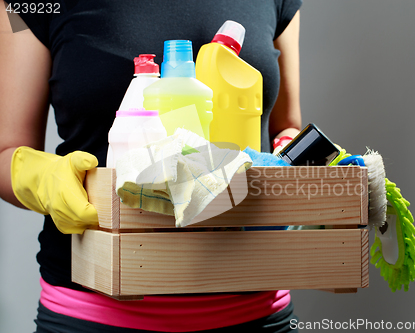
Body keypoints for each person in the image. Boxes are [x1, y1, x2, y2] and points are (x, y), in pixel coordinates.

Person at [0, 0, 302, 332]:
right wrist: (41, 179)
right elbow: (6, 150)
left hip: (257, 313)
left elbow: (286, 126)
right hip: (92, 316)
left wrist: (299, 170)